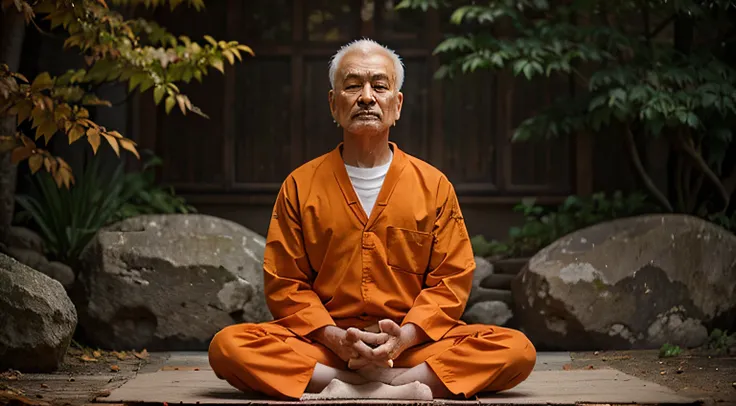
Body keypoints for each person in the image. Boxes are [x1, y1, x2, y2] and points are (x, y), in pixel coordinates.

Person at [208, 38, 536, 401]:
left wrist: (403, 339)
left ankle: (367, 387)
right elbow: (285, 283)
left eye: (379, 86)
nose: (366, 96)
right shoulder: (300, 185)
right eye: (352, 86)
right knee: (228, 346)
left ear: (397, 105)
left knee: (516, 348)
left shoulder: (433, 185)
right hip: (326, 344)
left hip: (410, 346)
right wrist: (335, 338)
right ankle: (381, 386)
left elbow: (451, 281)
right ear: (334, 104)